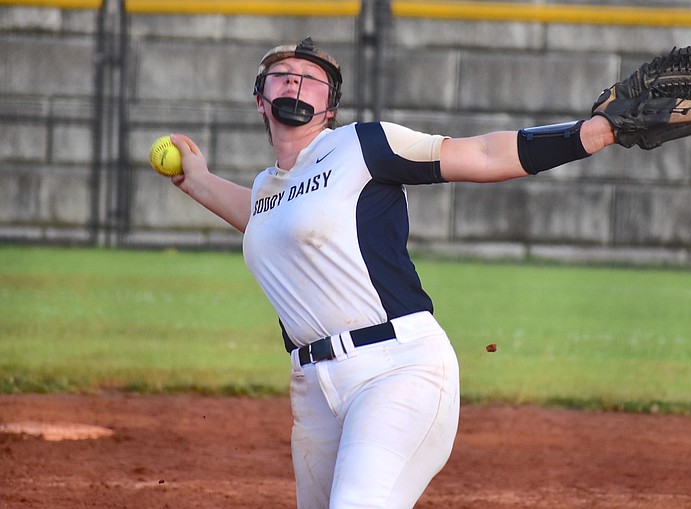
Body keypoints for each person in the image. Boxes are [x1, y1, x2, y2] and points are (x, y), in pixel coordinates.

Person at [168, 37, 615, 509]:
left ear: (330, 105)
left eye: (312, 77)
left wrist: (591, 134)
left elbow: (480, 154)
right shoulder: (268, 190)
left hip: (398, 368)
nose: (296, 80)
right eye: (282, 74)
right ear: (260, 98)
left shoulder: (362, 146)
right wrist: (196, 179)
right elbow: (266, 222)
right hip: (314, 393)